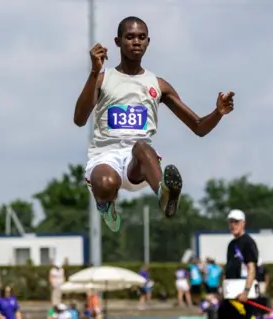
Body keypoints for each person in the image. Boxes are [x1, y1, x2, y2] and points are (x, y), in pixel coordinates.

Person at [74, 16, 235, 232]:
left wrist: (218, 112)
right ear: (118, 41)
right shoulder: (103, 79)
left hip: (140, 164)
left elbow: (198, 127)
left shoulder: (158, 84)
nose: (136, 41)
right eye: (130, 37)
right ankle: (105, 204)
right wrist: (94, 72)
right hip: (105, 156)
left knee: (141, 146)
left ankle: (164, 195)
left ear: (148, 42)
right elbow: (79, 119)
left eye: (141, 37)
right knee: (105, 182)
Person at [217, 209, 259, 318]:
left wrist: (246, 291)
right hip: (231, 295)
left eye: (236, 222)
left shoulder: (248, 242)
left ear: (243, 223)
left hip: (243, 296)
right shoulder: (232, 244)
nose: (233, 225)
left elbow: (251, 269)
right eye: (230, 222)